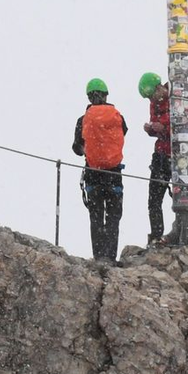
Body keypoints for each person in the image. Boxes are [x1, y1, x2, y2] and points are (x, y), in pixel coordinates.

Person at [138, 71, 188, 244]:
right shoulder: (155, 105)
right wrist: (152, 130)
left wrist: (163, 129)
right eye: (148, 97)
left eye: (152, 95)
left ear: (159, 87)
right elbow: (166, 128)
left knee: (181, 199)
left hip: (179, 157)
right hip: (161, 155)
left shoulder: (179, 100)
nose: (151, 99)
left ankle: (182, 234)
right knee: (154, 199)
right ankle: (157, 236)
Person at [72, 78, 127, 261]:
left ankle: (98, 257)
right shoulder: (118, 117)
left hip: (93, 174)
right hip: (113, 174)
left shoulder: (83, 120)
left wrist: (88, 148)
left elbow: (76, 148)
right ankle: (110, 258)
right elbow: (122, 134)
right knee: (113, 217)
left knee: (96, 218)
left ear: (89, 97)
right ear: (106, 95)